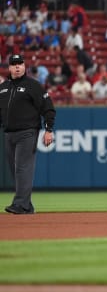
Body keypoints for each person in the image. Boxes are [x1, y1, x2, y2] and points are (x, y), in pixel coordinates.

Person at [0, 54, 55, 214]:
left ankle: (20, 204)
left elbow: (48, 108)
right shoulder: (3, 88)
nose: (17, 66)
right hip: (9, 134)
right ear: (9, 68)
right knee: (14, 170)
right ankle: (27, 206)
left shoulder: (33, 85)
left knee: (22, 168)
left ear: (25, 66)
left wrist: (49, 130)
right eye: (14, 64)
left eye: (20, 63)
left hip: (27, 132)